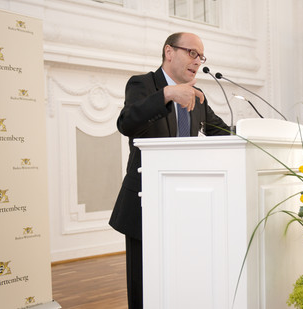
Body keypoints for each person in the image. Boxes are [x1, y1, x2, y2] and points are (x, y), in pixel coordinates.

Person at [109, 32, 230, 309]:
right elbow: (127, 123)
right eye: (192, 53)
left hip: (185, 205)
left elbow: (223, 132)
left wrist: (255, 133)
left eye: (201, 57)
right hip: (146, 203)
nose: (197, 61)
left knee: (177, 281)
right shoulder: (143, 84)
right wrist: (167, 93)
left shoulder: (198, 98)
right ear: (169, 51)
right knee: (144, 285)